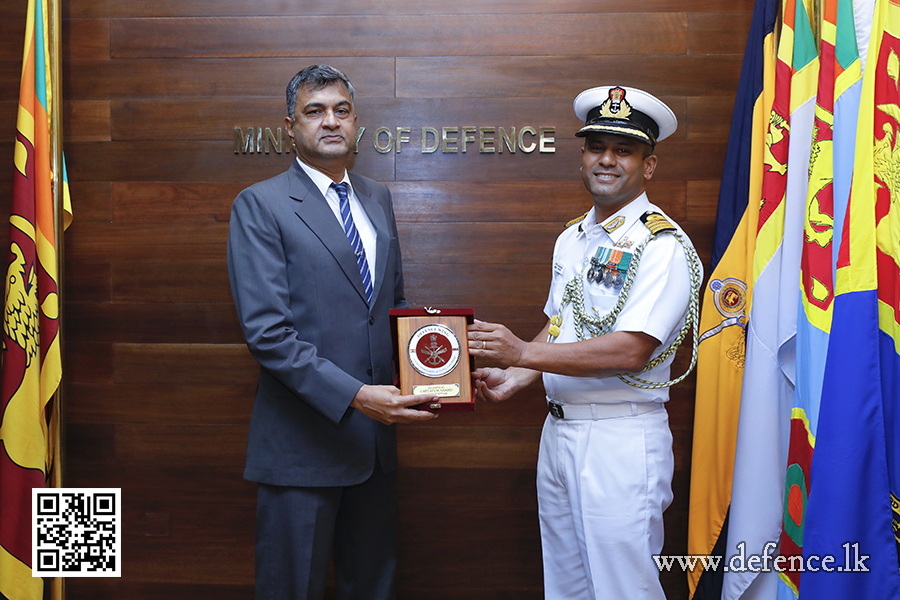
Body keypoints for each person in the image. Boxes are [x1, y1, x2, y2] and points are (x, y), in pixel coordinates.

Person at [468, 85, 702, 600]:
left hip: (619, 440)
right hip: (559, 436)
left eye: (624, 150)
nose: (607, 160)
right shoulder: (573, 237)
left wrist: (522, 353)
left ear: (649, 165)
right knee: (568, 587)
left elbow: (631, 349)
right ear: (583, 156)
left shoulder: (661, 245)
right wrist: (517, 377)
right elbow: (561, 324)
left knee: (623, 590)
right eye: (597, 147)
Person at [227, 64, 438, 600]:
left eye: (341, 110)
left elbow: (391, 307)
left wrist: (438, 369)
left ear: (356, 122)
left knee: (372, 589)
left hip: (375, 452)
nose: (330, 122)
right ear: (289, 127)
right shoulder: (261, 204)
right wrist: (360, 398)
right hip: (303, 449)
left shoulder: (376, 198)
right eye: (314, 111)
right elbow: (268, 334)